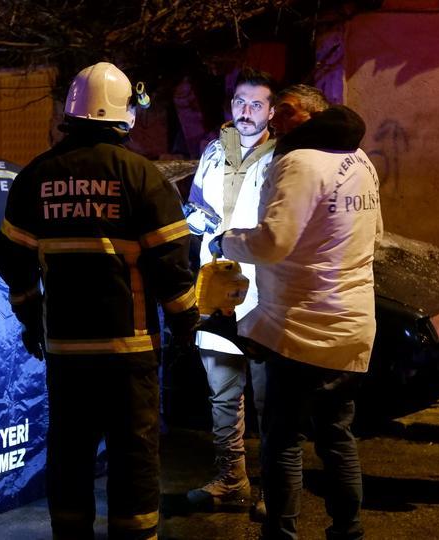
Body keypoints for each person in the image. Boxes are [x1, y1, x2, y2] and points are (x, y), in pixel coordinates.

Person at [0, 61, 198, 540]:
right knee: (134, 454)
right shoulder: (142, 176)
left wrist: (31, 317)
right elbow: (171, 266)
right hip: (130, 351)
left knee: (69, 453)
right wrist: (186, 322)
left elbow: (14, 261)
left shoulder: (36, 177)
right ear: (122, 114)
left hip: (67, 351)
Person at [210, 85, 381, 540]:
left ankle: (281, 533)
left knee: (283, 440)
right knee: (337, 435)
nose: (277, 120)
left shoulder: (298, 161)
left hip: (302, 327)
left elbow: (273, 243)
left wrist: (226, 241)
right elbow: (373, 234)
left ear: (313, 115)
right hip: (352, 324)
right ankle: (348, 531)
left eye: (287, 112)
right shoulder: (360, 160)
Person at [183, 68, 276, 511]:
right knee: (222, 393)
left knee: (269, 397)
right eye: (241, 101)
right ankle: (232, 480)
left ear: (271, 112)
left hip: (264, 292)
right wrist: (193, 220)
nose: (246, 111)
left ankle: (275, 489)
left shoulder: (283, 158)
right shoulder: (213, 151)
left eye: (257, 104)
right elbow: (197, 206)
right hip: (216, 288)